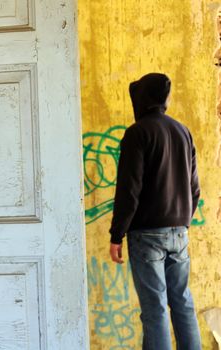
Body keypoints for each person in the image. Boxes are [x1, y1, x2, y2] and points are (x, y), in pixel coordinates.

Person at [109, 73, 202, 350]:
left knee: (155, 308)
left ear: (141, 97)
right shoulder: (183, 131)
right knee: (182, 302)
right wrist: (182, 221)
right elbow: (194, 187)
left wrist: (117, 235)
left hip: (147, 234)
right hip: (180, 232)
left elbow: (129, 190)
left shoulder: (137, 133)